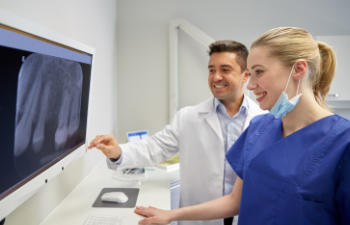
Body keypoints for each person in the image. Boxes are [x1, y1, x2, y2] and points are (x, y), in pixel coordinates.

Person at [134, 27, 350, 225]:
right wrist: (172, 215)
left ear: (299, 69)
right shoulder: (259, 129)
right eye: (250, 72)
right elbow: (234, 201)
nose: (251, 84)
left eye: (259, 72)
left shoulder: (343, 143)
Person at [88, 40, 266, 225]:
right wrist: (118, 153)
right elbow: (154, 147)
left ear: (245, 76)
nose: (216, 77)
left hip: (247, 217)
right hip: (198, 219)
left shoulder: (264, 120)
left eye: (225, 70)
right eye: (212, 70)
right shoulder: (188, 117)